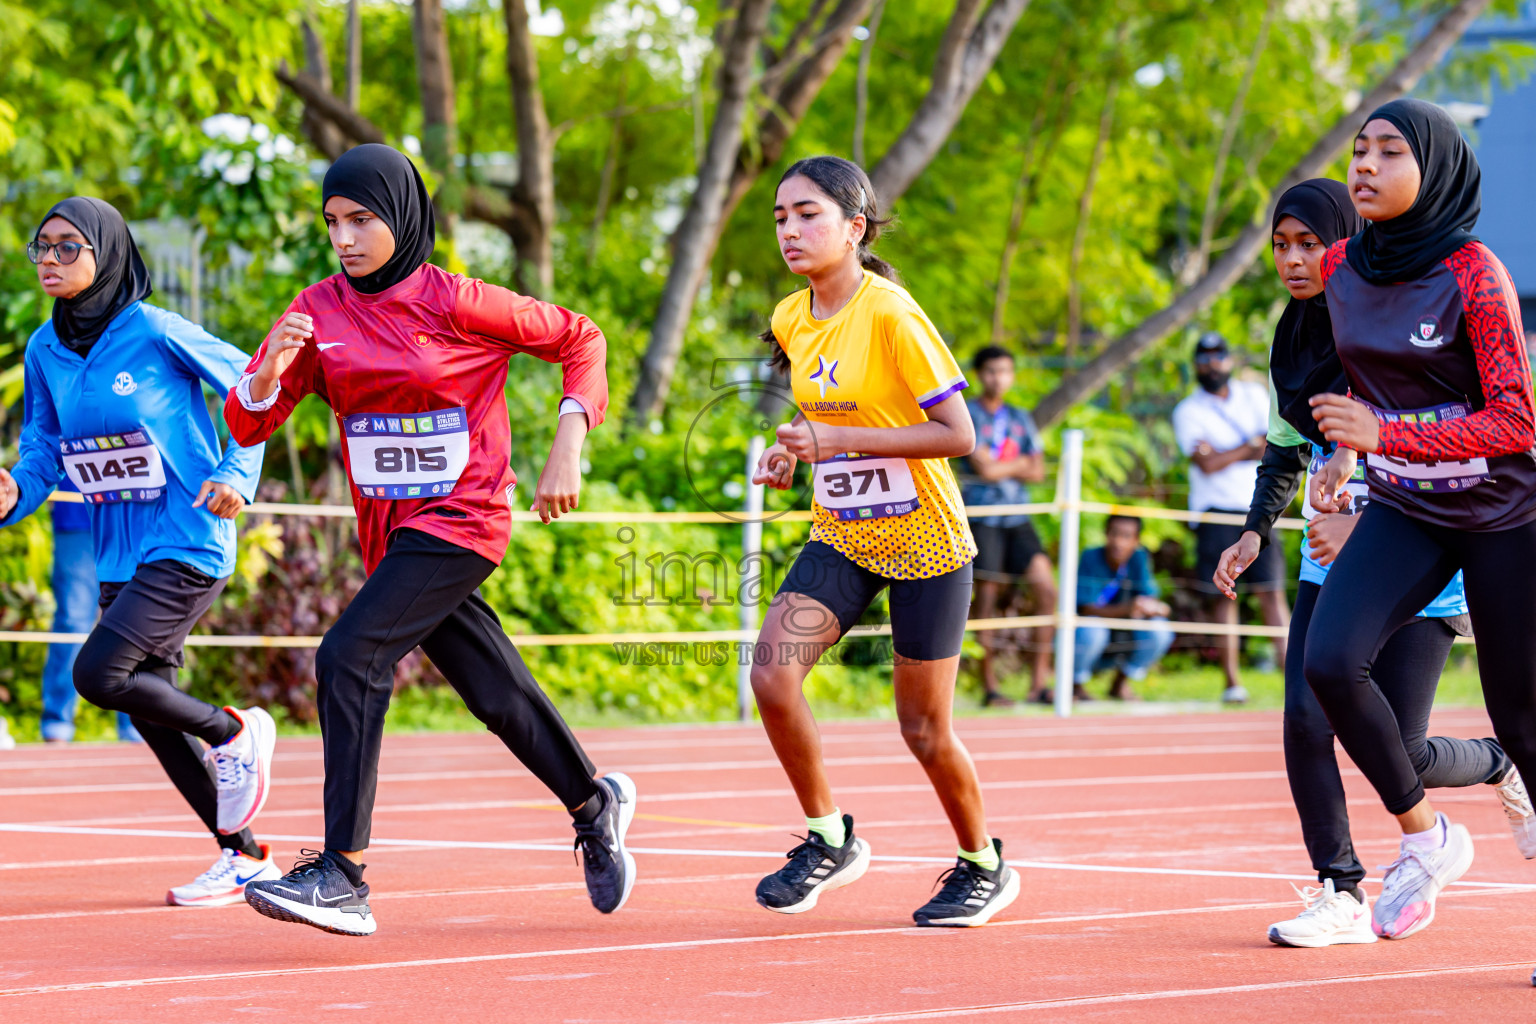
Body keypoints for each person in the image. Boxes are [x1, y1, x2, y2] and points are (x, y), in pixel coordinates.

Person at [226, 144, 633, 938]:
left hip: (464, 518)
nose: (344, 239)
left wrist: (568, 439)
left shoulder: (460, 301)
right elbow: (248, 422)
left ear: (404, 217)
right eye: (332, 223)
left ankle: (342, 873)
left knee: (349, 655)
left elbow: (582, 339)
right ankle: (594, 803)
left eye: (362, 221)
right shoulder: (315, 311)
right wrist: (268, 374)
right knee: (495, 692)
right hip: (391, 538)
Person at [1214, 177, 1530, 948]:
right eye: (1281, 245)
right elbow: (1287, 449)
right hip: (1340, 546)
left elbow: (1440, 422)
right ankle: (1341, 889)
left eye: (1310, 244)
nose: (1294, 261)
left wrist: (1363, 507)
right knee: (1302, 718)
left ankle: (1496, 764)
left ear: (1348, 243)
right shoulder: (1295, 336)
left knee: (1408, 745)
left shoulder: (1393, 310)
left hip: (1424, 533)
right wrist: (1257, 529)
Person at [749, 155, 1018, 927]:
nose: (791, 231)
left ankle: (982, 863)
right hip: (843, 534)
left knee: (923, 729)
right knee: (771, 675)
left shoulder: (893, 313)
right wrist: (793, 449)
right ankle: (828, 838)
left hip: (927, 541)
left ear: (855, 227)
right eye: (779, 218)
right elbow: (823, 420)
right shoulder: (790, 316)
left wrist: (835, 438)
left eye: (807, 215)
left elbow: (958, 434)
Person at [1302, 99, 1536, 948]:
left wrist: (1386, 436)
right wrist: (1340, 456)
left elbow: (1517, 420)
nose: (1364, 165)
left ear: (1432, 170)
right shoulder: (1338, 268)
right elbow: (1365, 377)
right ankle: (1428, 839)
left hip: (1504, 515)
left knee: (1521, 719)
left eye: (1390, 152)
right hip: (1408, 505)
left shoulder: (1476, 273)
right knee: (1330, 662)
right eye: (1359, 150)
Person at [3, 196, 279, 907]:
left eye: (69, 247)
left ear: (106, 252)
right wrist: (14, 493)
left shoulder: (154, 331)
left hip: (188, 536)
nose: (50, 260)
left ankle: (235, 730)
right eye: (43, 247)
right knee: (154, 715)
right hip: (118, 554)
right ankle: (243, 856)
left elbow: (254, 391)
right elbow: (42, 451)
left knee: (99, 672)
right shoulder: (46, 348)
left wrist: (235, 475)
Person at [1172, 332, 1289, 703]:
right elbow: (1206, 463)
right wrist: (1250, 447)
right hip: (1215, 512)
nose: (1211, 364)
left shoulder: (1254, 395)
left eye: (1218, 356)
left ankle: (1293, 682)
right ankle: (1232, 683)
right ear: (1195, 364)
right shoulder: (1187, 410)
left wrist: (1232, 451)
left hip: (1261, 508)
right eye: (1203, 357)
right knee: (1224, 597)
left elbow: (1276, 442)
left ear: (1229, 359)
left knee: (1272, 594)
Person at [960, 345, 1057, 706]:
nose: (998, 378)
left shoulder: (1019, 417)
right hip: (981, 516)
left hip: (1018, 516)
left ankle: (1039, 684)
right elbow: (984, 469)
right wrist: (1016, 464)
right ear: (979, 375)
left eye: (1004, 371)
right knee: (985, 597)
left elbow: (1038, 469)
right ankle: (990, 687)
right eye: (990, 371)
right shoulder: (966, 413)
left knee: (1046, 588)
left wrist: (1002, 466)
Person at [41, 478, 142, 743]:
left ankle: (137, 724)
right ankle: (57, 723)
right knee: (72, 619)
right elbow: (42, 444)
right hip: (76, 517)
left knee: (134, 619)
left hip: (133, 516)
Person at [1073, 516, 1172, 699]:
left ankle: (1120, 683)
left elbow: (1149, 597)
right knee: (1092, 630)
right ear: (1106, 534)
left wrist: (1154, 607)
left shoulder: (1139, 558)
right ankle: (1076, 687)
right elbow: (1085, 608)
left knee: (1160, 630)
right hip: (1091, 632)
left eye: (1126, 536)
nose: (1119, 542)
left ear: (1136, 540)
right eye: (1115, 534)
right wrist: (1128, 608)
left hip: (1125, 631)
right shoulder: (1090, 556)